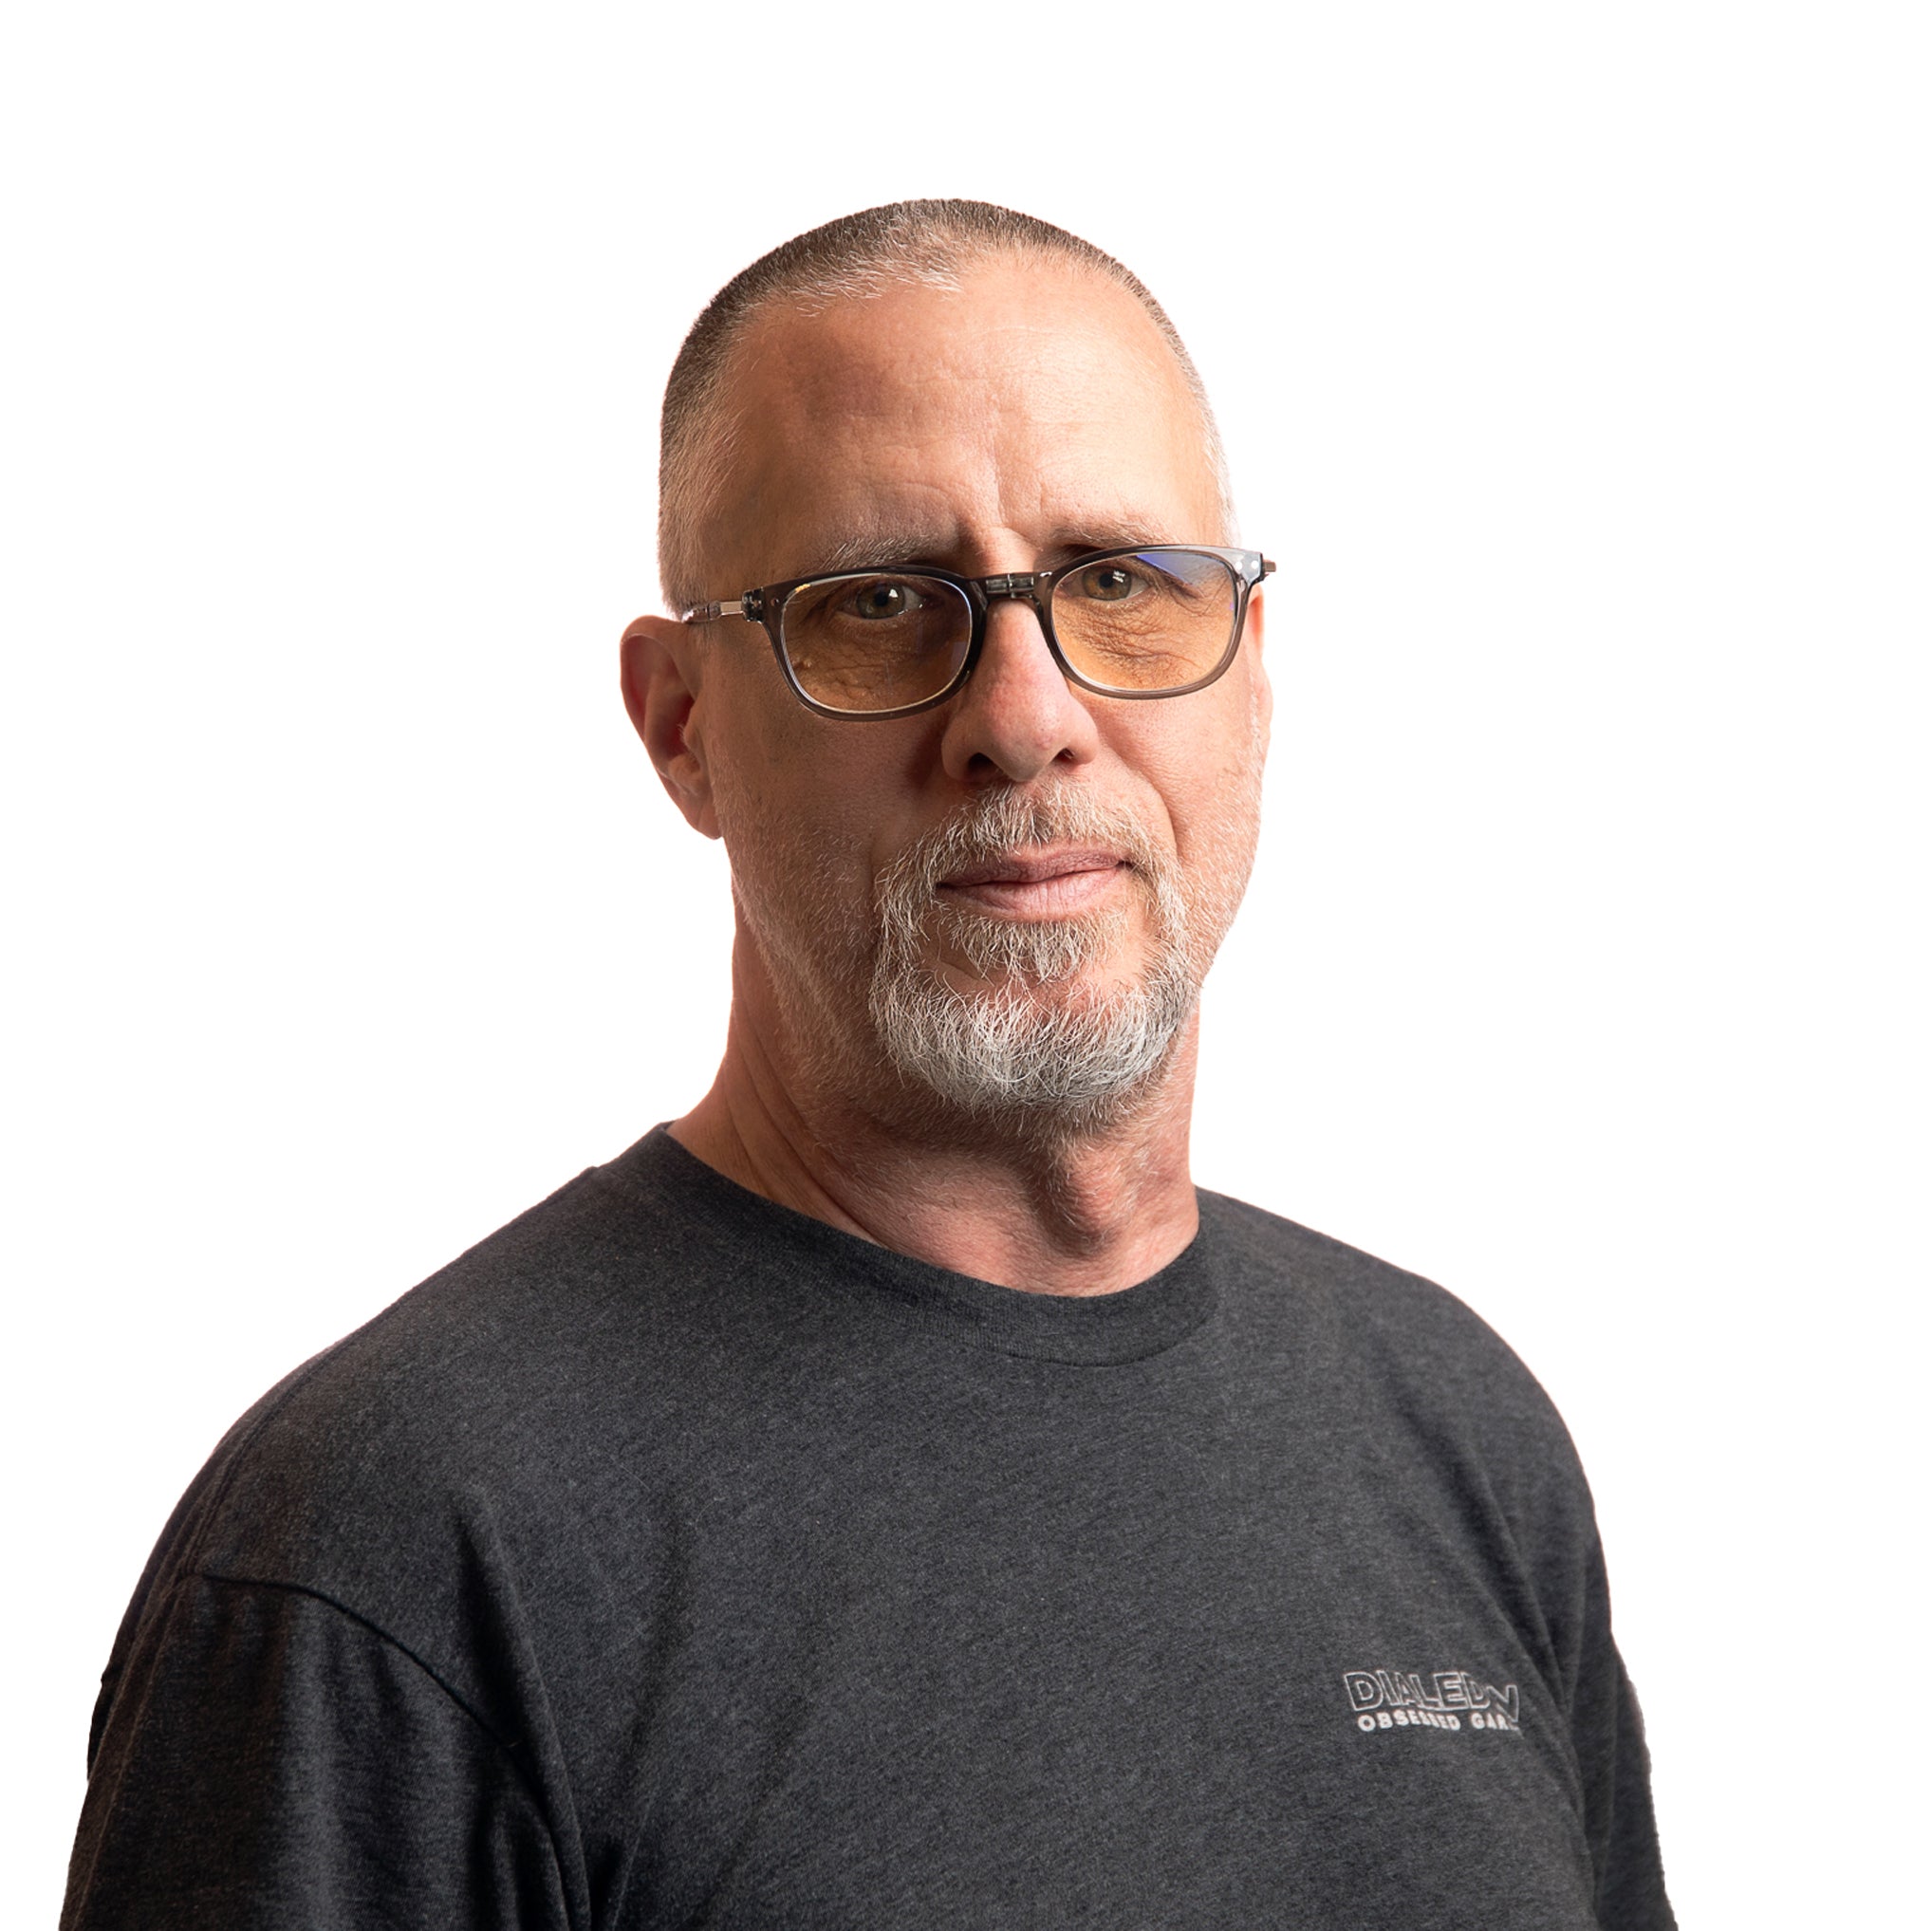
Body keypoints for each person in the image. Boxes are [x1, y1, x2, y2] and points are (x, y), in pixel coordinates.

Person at [62, 200, 1674, 1929]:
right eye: (881, 604)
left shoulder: (1454, 1432)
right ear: (682, 725)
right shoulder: (399, 1552)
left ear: (1252, 671)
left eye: (1119, 584)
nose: (1025, 716)